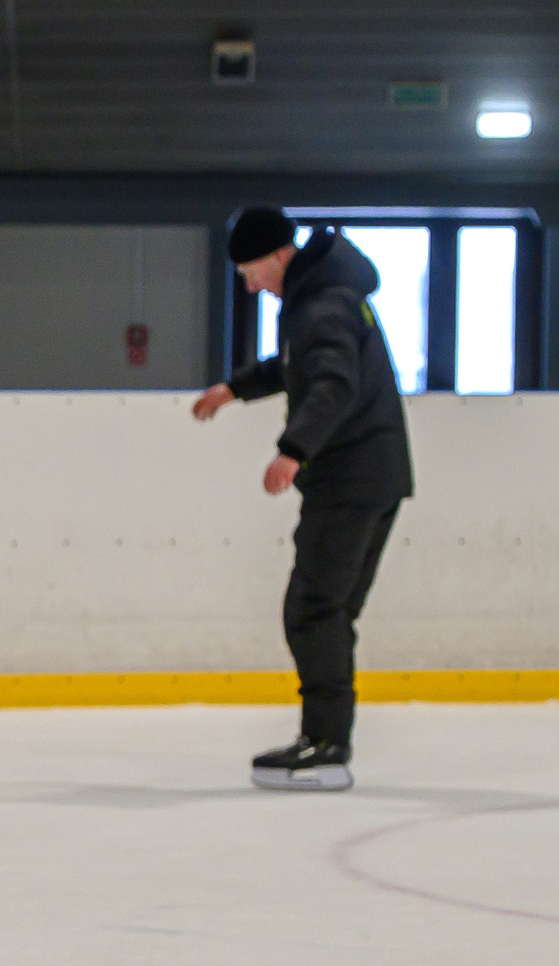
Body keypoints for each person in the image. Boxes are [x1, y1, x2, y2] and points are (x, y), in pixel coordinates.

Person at [194, 208, 413, 791]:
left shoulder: (320, 304)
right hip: (373, 476)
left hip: (349, 477)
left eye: (250, 271)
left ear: (279, 256)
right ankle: (327, 738)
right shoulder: (327, 296)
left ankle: (327, 745)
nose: (249, 285)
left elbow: (334, 383)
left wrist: (294, 450)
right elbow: (299, 366)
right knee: (328, 613)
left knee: (312, 610)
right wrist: (236, 387)